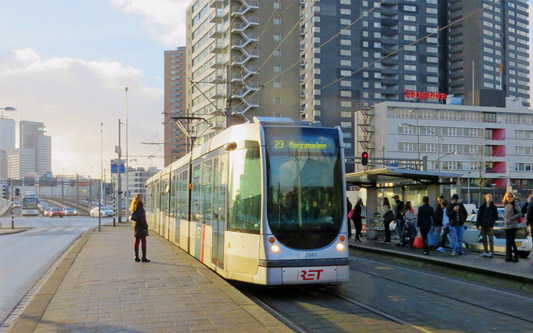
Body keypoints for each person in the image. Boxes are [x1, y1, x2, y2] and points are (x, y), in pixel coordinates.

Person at [476, 193, 498, 258]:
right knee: (484, 239)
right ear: (486, 198)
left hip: (490, 225)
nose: (490, 198)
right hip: (483, 225)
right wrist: (478, 224)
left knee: (491, 239)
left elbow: (496, 216)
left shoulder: (493, 207)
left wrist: (492, 221)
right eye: (489, 197)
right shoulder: (482, 206)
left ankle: (491, 251)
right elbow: (479, 215)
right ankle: (485, 251)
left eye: (491, 197)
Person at [130, 194, 150, 263]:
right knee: (143, 241)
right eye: (140, 197)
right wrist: (146, 225)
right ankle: (143, 257)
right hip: (141, 226)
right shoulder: (140, 205)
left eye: (142, 197)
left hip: (136, 226)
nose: (142, 198)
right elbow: (142, 217)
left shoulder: (134, 206)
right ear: (138, 199)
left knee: (137, 240)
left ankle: (136, 256)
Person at [503, 192, 522, 262]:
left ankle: (516, 256)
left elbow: (520, 213)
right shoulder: (506, 204)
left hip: (513, 225)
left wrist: (512, 218)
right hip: (506, 226)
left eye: (510, 196)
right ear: (505, 197)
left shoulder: (514, 204)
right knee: (508, 242)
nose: (509, 197)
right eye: (508, 196)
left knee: (512, 241)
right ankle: (509, 256)